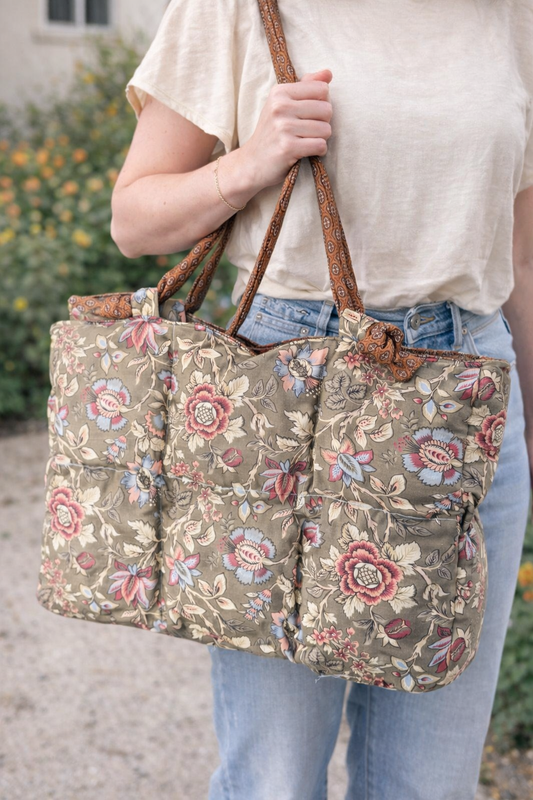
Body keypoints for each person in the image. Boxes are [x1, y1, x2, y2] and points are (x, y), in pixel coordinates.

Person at [110, 1, 533, 798]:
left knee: (431, 784)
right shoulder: (239, 6)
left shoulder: (508, 15)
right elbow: (133, 220)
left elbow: (518, 250)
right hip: (285, 389)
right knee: (273, 777)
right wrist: (252, 161)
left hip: (469, 396)